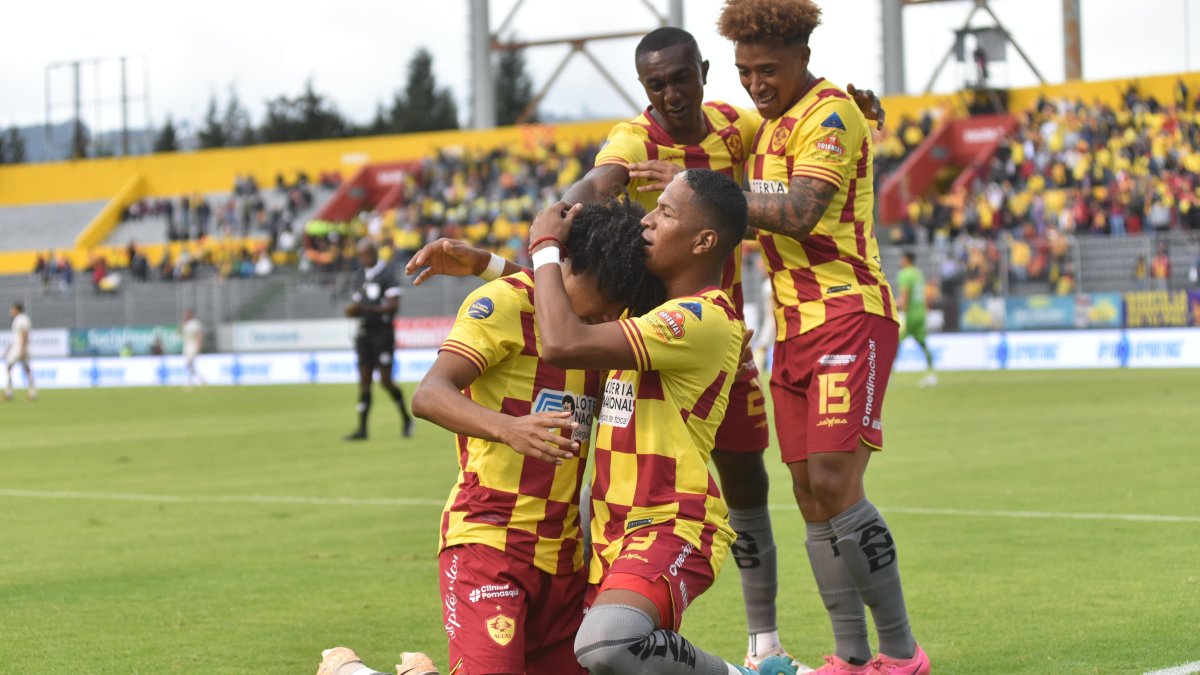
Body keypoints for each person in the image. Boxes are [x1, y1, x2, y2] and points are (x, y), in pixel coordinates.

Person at [560, 26, 883, 667]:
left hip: (720, 336)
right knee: (623, 469)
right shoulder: (633, 139)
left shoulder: (735, 127)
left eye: (682, 79)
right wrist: (579, 202)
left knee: (748, 482)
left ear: (704, 71)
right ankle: (610, 611)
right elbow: (592, 186)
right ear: (644, 88)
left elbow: (796, 126)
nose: (672, 94)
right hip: (649, 336)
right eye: (657, 85)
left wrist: (851, 110)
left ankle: (763, 642)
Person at [718, 1, 928, 673]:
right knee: (809, 492)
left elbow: (804, 210)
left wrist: (707, 194)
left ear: (803, 58)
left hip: (849, 313)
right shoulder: (771, 124)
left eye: (768, 70)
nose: (755, 84)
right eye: (744, 71)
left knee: (837, 481)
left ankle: (901, 653)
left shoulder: (829, 114)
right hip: (793, 330)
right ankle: (849, 654)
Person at [528, 170, 790, 675]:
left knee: (607, 644)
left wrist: (544, 244)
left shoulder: (699, 318)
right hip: (609, 523)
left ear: (704, 242)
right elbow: (566, 298)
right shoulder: (648, 308)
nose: (647, 219)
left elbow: (561, 341)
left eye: (666, 212)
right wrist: (485, 263)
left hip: (669, 520)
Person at [403, 198, 663, 675]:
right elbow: (429, 394)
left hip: (564, 554)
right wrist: (509, 428)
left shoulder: (602, 322)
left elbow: (561, 293)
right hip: (489, 539)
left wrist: (488, 262)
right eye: (602, 302)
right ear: (572, 264)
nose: (606, 321)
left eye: (615, 309)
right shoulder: (504, 304)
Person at [343, 240, 414, 441]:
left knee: (385, 380)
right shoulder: (359, 276)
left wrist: (364, 309)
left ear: (374, 253)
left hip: (382, 334)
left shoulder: (387, 274)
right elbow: (358, 303)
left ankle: (406, 419)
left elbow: (393, 305)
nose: (363, 259)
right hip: (364, 333)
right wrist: (353, 311)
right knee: (364, 381)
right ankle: (362, 429)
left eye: (366, 254)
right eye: (361, 255)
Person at [895, 252, 936, 388]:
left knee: (895, 344)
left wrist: (901, 311)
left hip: (910, 315)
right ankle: (931, 375)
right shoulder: (918, 274)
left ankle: (888, 376)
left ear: (906, 260)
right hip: (920, 314)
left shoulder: (905, 274)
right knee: (923, 344)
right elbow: (923, 294)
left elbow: (905, 295)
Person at [4, 302, 36, 401]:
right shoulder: (24, 318)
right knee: (27, 369)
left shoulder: (20, 319)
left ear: (17, 310)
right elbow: (17, 337)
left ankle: (8, 393)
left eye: (12, 309)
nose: (11, 311)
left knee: (9, 366)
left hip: (20, 348)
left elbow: (24, 334)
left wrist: (22, 349)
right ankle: (32, 393)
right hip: (22, 347)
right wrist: (10, 347)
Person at [181, 309, 206, 388]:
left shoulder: (195, 323)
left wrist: (199, 346)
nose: (184, 316)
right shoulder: (185, 324)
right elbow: (180, 333)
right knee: (190, 365)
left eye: (186, 314)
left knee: (189, 363)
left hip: (193, 345)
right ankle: (201, 379)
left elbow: (199, 335)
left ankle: (189, 381)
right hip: (186, 346)